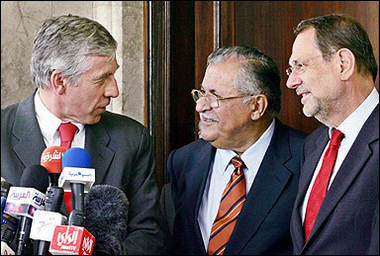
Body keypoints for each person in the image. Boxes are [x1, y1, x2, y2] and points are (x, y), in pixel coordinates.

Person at [1, 14, 167, 254]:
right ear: (60, 81)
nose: (114, 90)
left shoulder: (131, 138)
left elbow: (148, 234)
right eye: (102, 79)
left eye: (114, 75)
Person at [166, 45, 307, 255]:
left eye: (215, 97)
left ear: (257, 106)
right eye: (202, 93)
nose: (200, 106)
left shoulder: (308, 159)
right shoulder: (184, 160)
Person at [286, 13, 379, 255]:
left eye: (300, 66)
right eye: (291, 69)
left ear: (343, 64)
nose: (291, 82)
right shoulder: (313, 145)